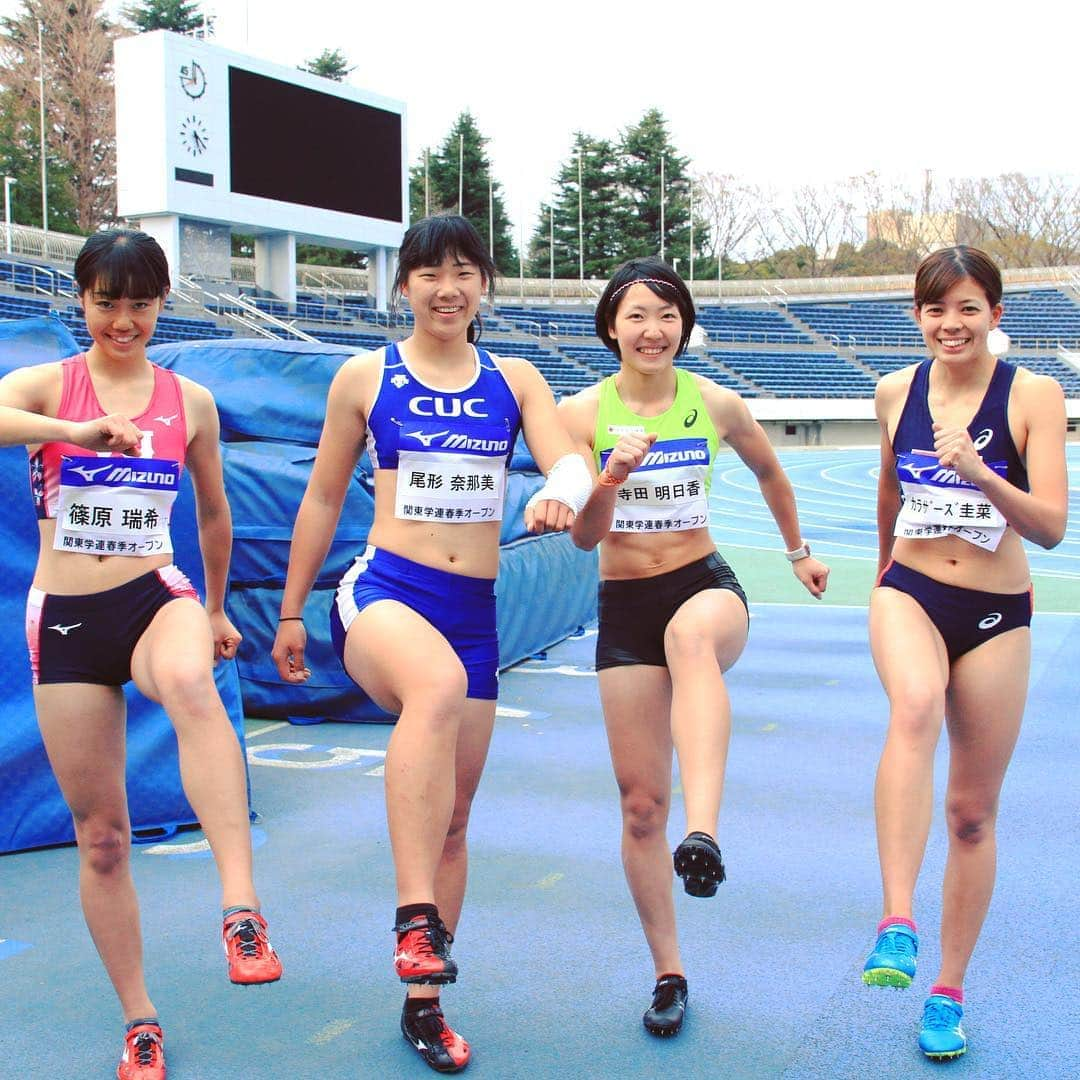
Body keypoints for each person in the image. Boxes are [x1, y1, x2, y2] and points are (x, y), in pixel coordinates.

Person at [271, 214, 589, 1074]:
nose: (447, 288)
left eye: (464, 271)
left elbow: (567, 461)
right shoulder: (364, 377)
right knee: (436, 689)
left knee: (453, 821)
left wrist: (562, 488)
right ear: (402, 286)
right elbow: (321, 500)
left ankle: (424, 1004)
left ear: (485, 284)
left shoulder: (514, 379)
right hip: (383, 592)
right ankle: (415, 921)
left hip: (472, 611)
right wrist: (292, 611)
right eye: (428, 273)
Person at [0, 229, 281, 1080]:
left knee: (195, 681)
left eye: (141, 303)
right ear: (81, 301)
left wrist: (223, 606)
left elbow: (216, 513)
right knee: (103, 838)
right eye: (107, 301)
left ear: (163, 304)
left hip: (156, 594)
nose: (124, 320)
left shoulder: (188, 399)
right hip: (71, 618)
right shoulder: (52, 383)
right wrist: (73, 432)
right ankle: (140, 1019)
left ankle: (241, 908)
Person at [558, 256, 829, 1037]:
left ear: (685, 325)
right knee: (641, 805)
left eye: (669, 314)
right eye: (638, 315)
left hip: (703, 586)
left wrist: (798, 551)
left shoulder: (714, 401)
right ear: (612, 326)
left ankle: (703, 831)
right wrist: (609, 477)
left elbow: (773, 473)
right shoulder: (583, 412)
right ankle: (669, 972)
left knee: (691, 638)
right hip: (623, 605)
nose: (654, 329)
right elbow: (583, 539)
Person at [862, 245, 1067, 1060]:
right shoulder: (892, 392)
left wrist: (981, 473)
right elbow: (889, 488)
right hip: (910, 591)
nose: (952, 324)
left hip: (995, 611)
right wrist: (882, 573)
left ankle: (946, 992)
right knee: (913, 707)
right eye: (936, 310)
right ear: (918, 316)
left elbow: (1050, 526)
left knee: (973, 815)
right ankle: (896, 922)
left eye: (969, 309)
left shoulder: (1035, 396)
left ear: (996, 315)